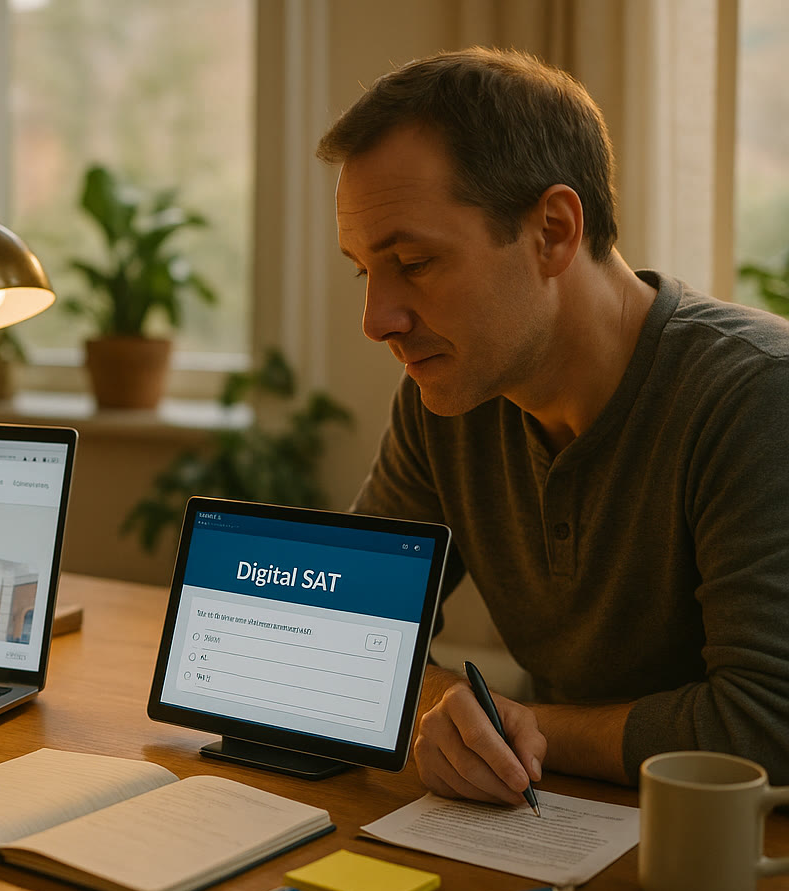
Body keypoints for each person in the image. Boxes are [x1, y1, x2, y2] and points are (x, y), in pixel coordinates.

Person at [314, 48, 789, 806]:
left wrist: (525, 727)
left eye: (414, 260)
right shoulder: (449, 393)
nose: (379, 321)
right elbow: (351, 632)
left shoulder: (758, 395)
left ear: (554, 230)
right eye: (364, 270)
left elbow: (769, 725)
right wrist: (450, 714)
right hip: (551, 820)